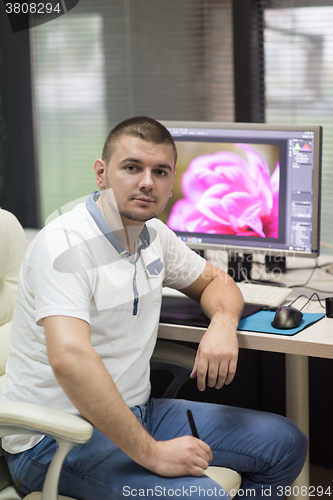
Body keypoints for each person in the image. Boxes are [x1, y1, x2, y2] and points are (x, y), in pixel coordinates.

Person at [2, 116, 307, 499]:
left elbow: (218, 284)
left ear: (171, 183)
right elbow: (70, 357)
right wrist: (152, 454)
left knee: (284, 443)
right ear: (102, 173)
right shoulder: (63, 245)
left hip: (136, 414)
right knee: (201, 495)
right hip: (55, 439)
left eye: (160, 171)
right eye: (132, 168)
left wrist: (223, 323)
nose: (147, 182)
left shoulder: (154, 235)